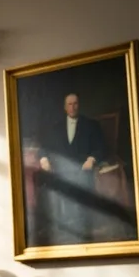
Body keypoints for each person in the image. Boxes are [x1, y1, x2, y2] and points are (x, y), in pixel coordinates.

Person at [37, 93, 106, 244]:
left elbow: (100, 148)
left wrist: (91, 159)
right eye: (69, 104)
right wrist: (43, 159)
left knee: (80, 185)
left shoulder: (91, 125)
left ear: (79, 105)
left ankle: (81, 227)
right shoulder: (55, 127)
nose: (72, 107)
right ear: (64, 107)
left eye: (75, 103)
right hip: (59, 169)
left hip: (82, 168)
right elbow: (43, 148)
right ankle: (58, 225)